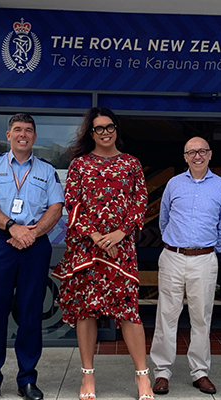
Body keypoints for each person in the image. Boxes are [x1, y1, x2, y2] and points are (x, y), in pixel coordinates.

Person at [51, 107, 153, 400]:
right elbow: (73, 203)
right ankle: (87, 377)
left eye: (110, 127)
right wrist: (95, 235)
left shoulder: (131, 164)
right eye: (99, 128)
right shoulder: (79, 165)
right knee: (87, 311)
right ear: (91, 132)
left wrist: (121, 232)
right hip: (88, 249)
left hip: (121, 250)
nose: (105, 132)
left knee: (129, 312)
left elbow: (139, 202)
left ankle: (143, 378)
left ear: (117, 130)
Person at [0, 113, 64, 400]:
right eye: (17, 130)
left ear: (34, 137)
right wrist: (13, 228)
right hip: (0, 242)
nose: (23, 134)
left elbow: (56, 208)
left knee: (30, 313)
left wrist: (30, 235)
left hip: (35, 244)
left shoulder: (46, 170)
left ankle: (27, 379)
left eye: (28, 130)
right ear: (9, 135)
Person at [150, 137, 221, 395]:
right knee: (166, 316)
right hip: (173, 256)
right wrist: (177, 246)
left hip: (204, 259)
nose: (197, 156)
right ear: (185, 157)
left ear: (210, 155)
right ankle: (162, 372)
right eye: (191, 152)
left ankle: (200, 372)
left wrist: (208, 250)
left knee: (201, 317)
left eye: (202, 151)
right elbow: (163, 220)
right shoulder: (174, 184)